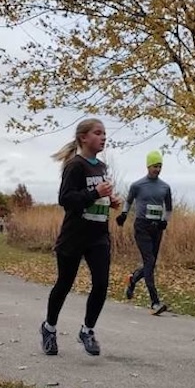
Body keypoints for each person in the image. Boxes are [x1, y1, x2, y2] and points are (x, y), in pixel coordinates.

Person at [40, 118, 121, 357]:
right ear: (83, 138)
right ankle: (49, 328)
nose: (103, 137)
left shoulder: (102, 167)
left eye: (104, 133)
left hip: (99, 236)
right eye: (98, 133)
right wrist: (95, 193)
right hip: (74, 236)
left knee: (101, 284)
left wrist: (109, 200)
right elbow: (66, 199)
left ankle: (87, 330)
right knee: (64, 284)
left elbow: (96, 196)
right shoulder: (75, 166)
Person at [118, 149, 174, 315]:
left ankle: (133, 279)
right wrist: (123, 214)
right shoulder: (137, 185)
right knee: (149, 260)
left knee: (151, 263)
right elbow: (128, 201)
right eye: (154, 166)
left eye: (160, 166)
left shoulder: (165, 187)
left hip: (156, 228)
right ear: (148, 166)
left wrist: (165, 220)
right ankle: (155, 302)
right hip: (142, 226)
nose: (157, 169)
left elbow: (169, 208)